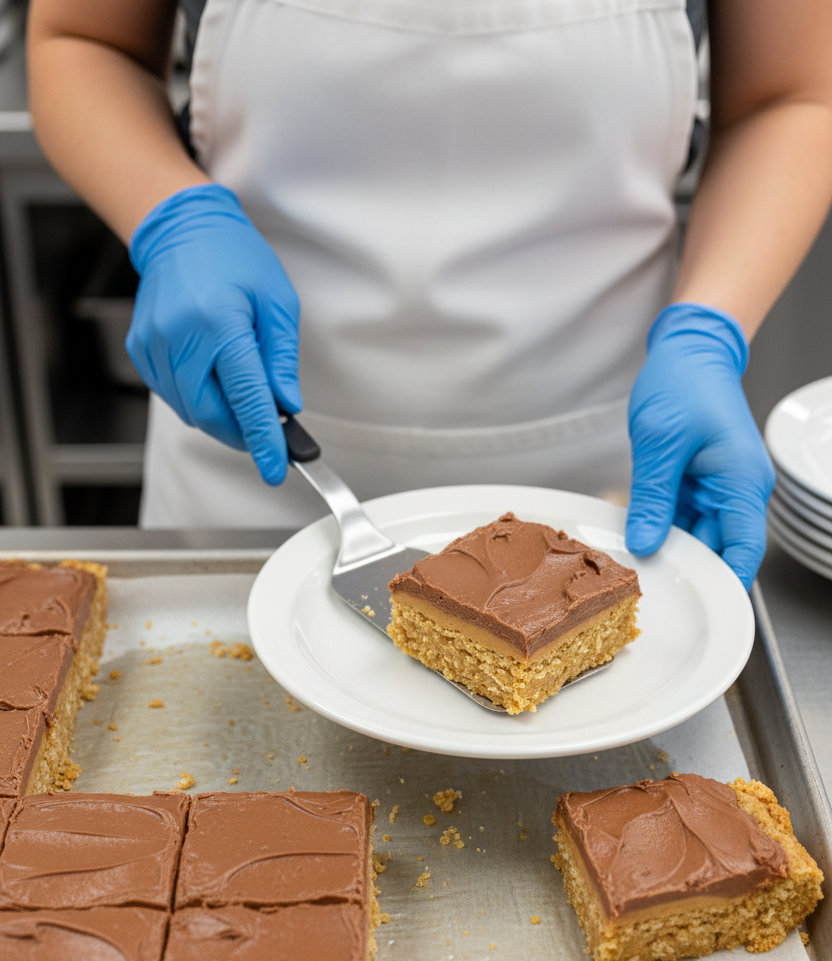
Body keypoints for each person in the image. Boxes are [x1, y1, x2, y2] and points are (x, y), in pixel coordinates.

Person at [27, 0, 832, 588]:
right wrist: (174, 219)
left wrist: (707, 330)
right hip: (250, 459)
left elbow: (791, 97)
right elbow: (81, 39)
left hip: (603, 485)